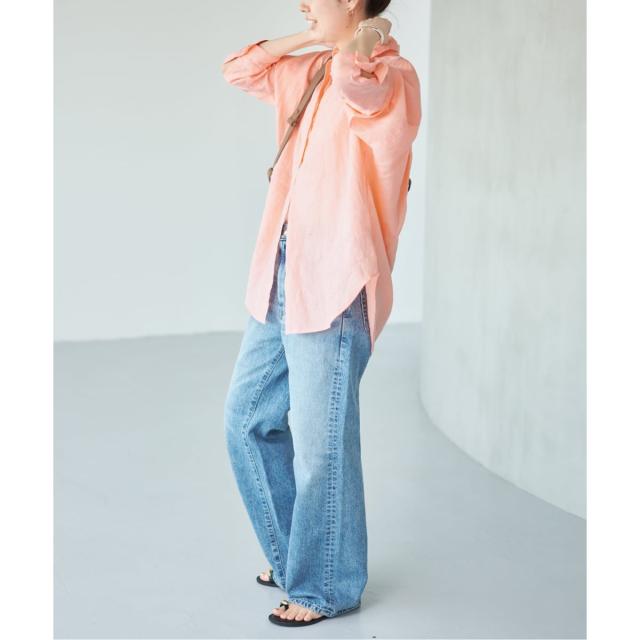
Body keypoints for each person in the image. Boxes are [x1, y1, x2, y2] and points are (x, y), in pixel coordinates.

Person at [221, 0, 421, 627]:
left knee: (320, 446)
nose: (303, 3)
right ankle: (296, 560)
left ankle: (326, 586)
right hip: (279, 273)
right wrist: (311, 38)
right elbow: (240, 70)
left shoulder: (389, 75)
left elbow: (361, 88)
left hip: (334, 281)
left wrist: (369, 35)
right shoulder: (308, 70)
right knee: (246, 420)